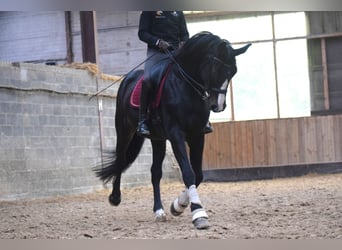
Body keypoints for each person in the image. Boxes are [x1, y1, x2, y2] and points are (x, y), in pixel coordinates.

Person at [137, 11, 213, 136]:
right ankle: (143, 120)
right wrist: (157, 42)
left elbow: (184, 34)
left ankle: (203, 118)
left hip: (176, 53)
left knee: (195, 77)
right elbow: (142, 33)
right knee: (147, 80)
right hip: (156, 54)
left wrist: (184, 42)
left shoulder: (178, 12)